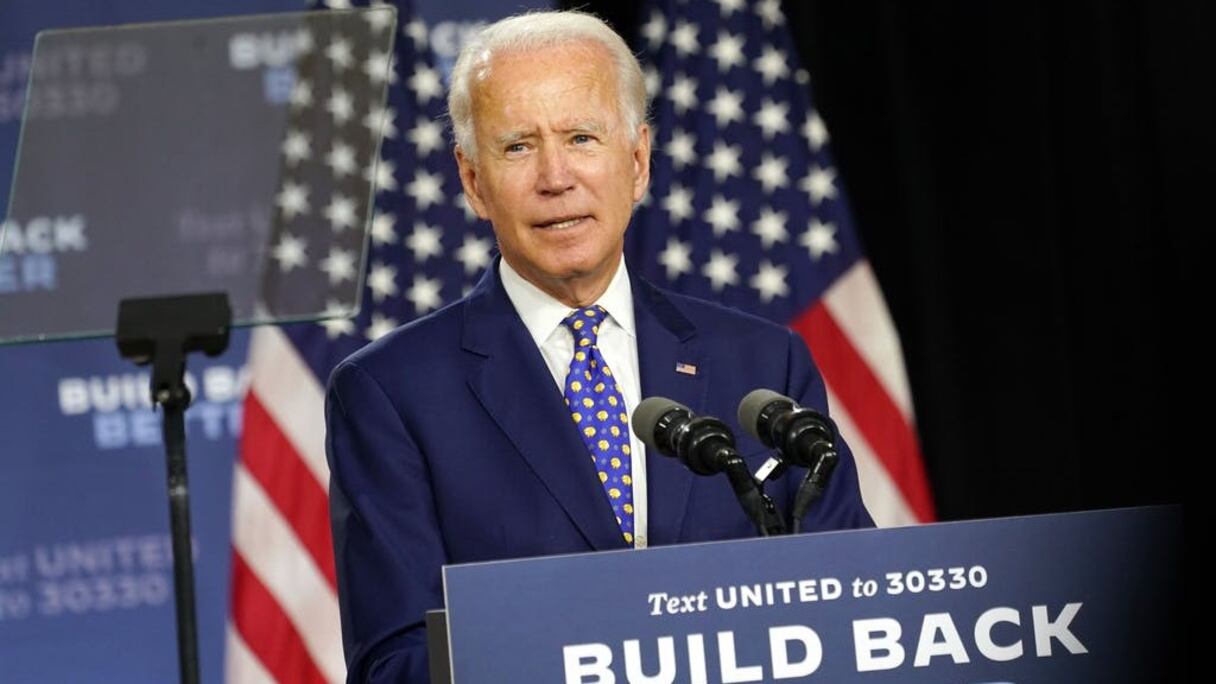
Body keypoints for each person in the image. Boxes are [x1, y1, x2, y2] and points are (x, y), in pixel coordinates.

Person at [325, 10, 874, 683]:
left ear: (637, 162)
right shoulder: (392, 394)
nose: (557, 177)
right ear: (473, 181)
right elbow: (398, 662)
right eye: (519, 147)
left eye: (582, 137)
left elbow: (856, 607)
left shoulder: (762, 364)